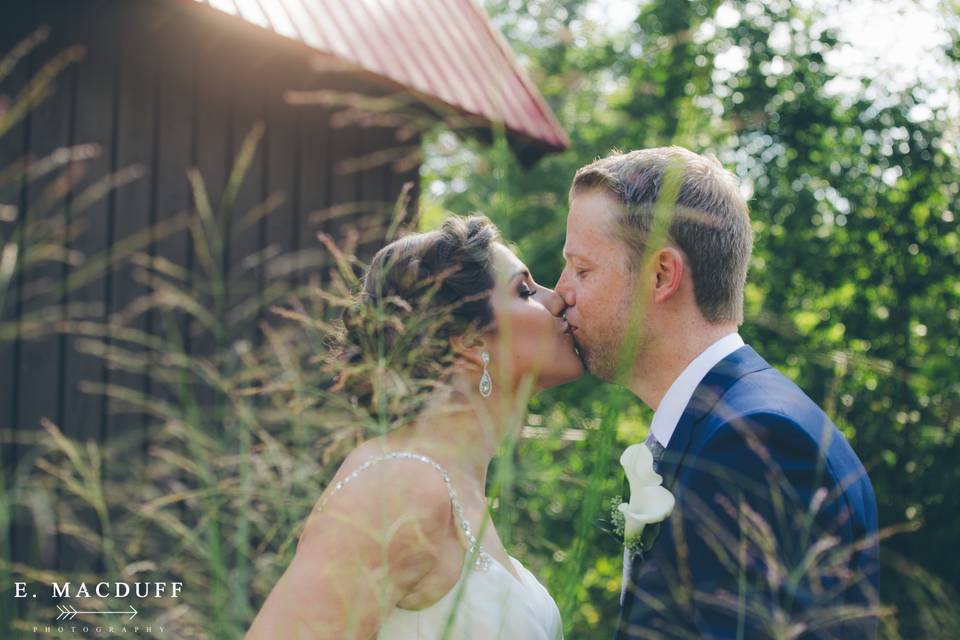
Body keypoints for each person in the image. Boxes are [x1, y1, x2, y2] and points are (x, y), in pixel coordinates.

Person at [555, 147, 880, 639]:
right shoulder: (721, 421)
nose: (561, 293)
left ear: (661, 275)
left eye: (581, 269)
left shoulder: (756, 441)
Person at [246, 215, 579, 639]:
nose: (558, 300)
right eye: (525, 291)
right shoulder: (401, 484)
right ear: (470, 340)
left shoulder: (457, 484)